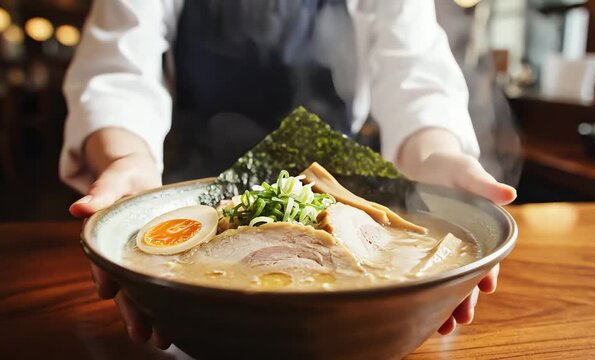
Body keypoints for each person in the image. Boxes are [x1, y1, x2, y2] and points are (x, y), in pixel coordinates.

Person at [61, 0, 516, 350]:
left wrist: (436, 158)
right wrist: (127, 163)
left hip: (344, 192)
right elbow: (118, 73)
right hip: (193, 192)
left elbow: (415, 73)